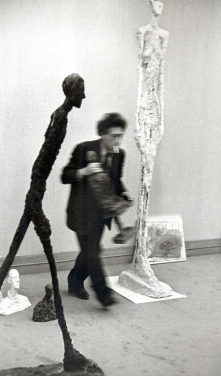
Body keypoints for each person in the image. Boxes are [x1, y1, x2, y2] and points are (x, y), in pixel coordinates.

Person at [61, 112, 132, 307]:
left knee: (91, 250)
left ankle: (75, 281)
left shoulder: (119, 154)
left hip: (102, 214)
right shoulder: (83, 149)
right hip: (80, 211)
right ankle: (104, 293)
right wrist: (83, 172)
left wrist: (123, 196)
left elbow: (115, 182)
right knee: (92, 251)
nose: (118, 140)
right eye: (114, 136)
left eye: (120, 135)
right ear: (103, 134)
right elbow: (64, 175)